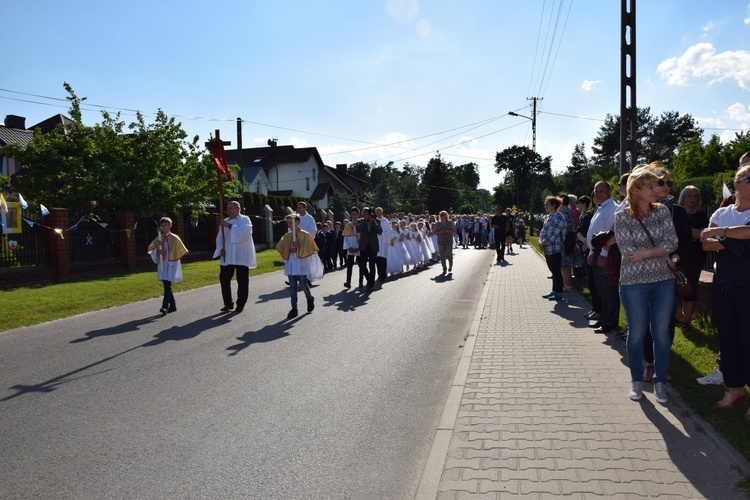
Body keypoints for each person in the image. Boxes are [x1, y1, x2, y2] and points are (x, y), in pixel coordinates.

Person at [615, 169, 678, 404]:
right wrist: (657, 251)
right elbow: (628, 253)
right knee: (637, 333)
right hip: (633, 283)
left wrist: (646, 253)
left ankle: (659, 381)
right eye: (651, 187)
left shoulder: (662, 211)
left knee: (661, 333)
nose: (657, 190)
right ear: (637, 190)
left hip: (663, 280)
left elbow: (672, 242)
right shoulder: (622, 217)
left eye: (656, 186)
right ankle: (636, 381)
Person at [700, 153, 750, 418]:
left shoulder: (724, 220)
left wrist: (723, 233)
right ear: (738, 182)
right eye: (747, 178)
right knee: (728, 335)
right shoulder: (723, 211)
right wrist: (737, 239)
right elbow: (706, 243)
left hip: (747, 284)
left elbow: (720, 236)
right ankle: (734, 387)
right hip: (724, 282)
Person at [586, 181, 620, 334]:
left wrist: (603, 254)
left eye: (602, 191)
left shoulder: (612, 208)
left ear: (609, 191)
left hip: (606, 253)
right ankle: (604, 317)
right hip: (597, 252)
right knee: (601, 289)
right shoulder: (600, 208)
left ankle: (610, 321)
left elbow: (611, 234)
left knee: (608, 289)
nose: (598, 194)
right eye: (596, 191)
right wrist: (592, 253)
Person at [214, 200, 257, 313]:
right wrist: (220, 249)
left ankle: (240, 304)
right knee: (224, 279)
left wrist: (229, 226)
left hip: (240, 254)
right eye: (228, 208)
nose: (229, 210)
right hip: (227, 255)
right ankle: (228, 303)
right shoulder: (225, 221)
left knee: (242, 280)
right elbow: (219, 238)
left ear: (238, 209)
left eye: (231, 208)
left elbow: (245, 233)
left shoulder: (244, 219)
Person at [676, 185, 709, 328]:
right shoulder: (675, 212)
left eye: (695, 196)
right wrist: (691, 234)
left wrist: (685, 234)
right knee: (675, 288)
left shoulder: (701, 215)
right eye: (689, 195)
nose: (692, 199)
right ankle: (677, 316)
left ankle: (687, 320)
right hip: (677, 255)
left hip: (695, 256)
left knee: (691, 287)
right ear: (683, 196)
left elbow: (703, 234)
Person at [276, 213, 318, 319]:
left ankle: (309, 298)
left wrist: (299, 246)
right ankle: (294, 308)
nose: (289, 225)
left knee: (303, 283)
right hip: (292, 262)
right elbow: (283, 248)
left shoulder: (305, 235)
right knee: (293, 286)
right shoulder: (287, 236)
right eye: (288, 223)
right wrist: (290, 250)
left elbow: (309, 248)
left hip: (302, 262)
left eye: (291, 223)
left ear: (297, 222)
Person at [147, 217, 189, 315]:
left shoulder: (175, 238)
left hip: (171, 264)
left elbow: (180, 250)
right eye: (162, 225)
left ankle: (164, 306)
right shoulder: (159, 238)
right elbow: (151, 248)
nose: (163, 227)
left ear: (170, 225)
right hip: (162, 263)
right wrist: (158, 250)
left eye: (165, 225)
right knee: (166, 285)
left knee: (167, 285)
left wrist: (166, 251)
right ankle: (173, 305)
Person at [539, 196, 566, 301]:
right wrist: (541, 242)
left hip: (555, 249)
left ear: (554, 205)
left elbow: (554, 234)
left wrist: (544, 243)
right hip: (547, 249)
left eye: (547, 204)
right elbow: (542, 232)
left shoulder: (559, 217)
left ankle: (559, 292)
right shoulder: (548, 217)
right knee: (553, 270)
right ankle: (554, 290)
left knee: (556, 271)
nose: (545, 206)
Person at [357, 207, 382, 291]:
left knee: (372, 265)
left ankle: (371, 284)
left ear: (370, 214)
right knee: (362, 265)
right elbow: (358, 229)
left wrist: (373, 222)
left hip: (373, 246)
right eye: (364, 213)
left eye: (367, 214)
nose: (365, 215)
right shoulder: (360, 221)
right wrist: (365, 220)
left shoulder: (376, 221)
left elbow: (379, 231)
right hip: (364, 246)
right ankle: (369, 279)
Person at [342, 209, 361, 288]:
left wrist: (359, 248)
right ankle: (348, 281)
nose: (354, 216)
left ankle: (361, 281)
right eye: (352, 214)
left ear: (358, 215)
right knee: (349, 265)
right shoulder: (348, 225)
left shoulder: (361, 224)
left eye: (355, 214)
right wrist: (349, 247)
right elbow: (345, 238)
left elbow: (363, 238)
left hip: (359, 248)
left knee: (361, 265)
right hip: (350, 248)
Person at [434, 210, 456, 275]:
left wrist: (447, 231)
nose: (442, 216)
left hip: (449, 240)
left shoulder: (450, 223)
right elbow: (434, 232)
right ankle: (444, 268)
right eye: (440, 215)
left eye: (443, 215)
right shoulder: (437, 223)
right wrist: (440, 232)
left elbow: (454, 231)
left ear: (446, 216)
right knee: (442, 255)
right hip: (441, 241)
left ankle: (450, 265)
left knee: (449, 254)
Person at [374, 207, 391, 283]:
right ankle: (379, 274)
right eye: (376, 212)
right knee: (377, 259)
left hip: (384, 242)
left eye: (379, 211)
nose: (378, 213)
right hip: (376, 241)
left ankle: (383, 274)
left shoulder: (385, 221)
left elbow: (388, 232)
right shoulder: (373, 220)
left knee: (383, 258)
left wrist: (381, 233)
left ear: (382, 212)